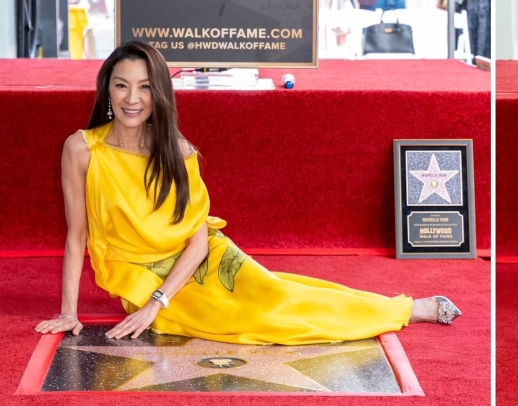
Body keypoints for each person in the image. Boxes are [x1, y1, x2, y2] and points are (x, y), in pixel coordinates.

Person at [34, 42, 460, 343]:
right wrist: (69, 312)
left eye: (145, 86)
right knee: (258, 323)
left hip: (200, 261)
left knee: (275, 297)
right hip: (139, 278)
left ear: (160, 93)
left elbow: (198, 237)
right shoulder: (82, 149)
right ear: (107, 88)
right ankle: (399, 308)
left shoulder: (178, 150)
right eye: (122, 84)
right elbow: (77, 236)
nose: (133, 98)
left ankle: (406, 309)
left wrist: (159, 301)